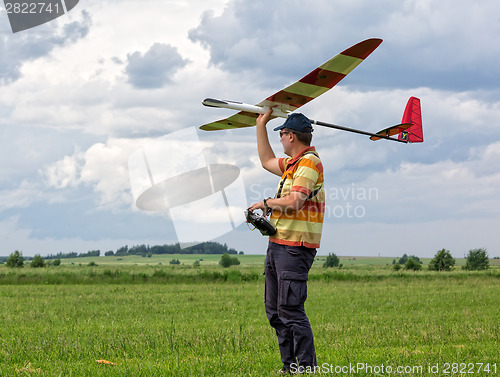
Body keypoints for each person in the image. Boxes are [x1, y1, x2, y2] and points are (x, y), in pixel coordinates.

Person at [248, 109, 325, 374]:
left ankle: (306, 368)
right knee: (275, 311)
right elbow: (266, 160)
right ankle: (289, 366)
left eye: (281, 134)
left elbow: (295, 201)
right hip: (278, 244)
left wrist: (266, 203)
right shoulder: (293, 163)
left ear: (291, 136)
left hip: (295, 248)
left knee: (290, 310)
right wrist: (261, 124)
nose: (280, 139)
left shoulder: (309, 163)